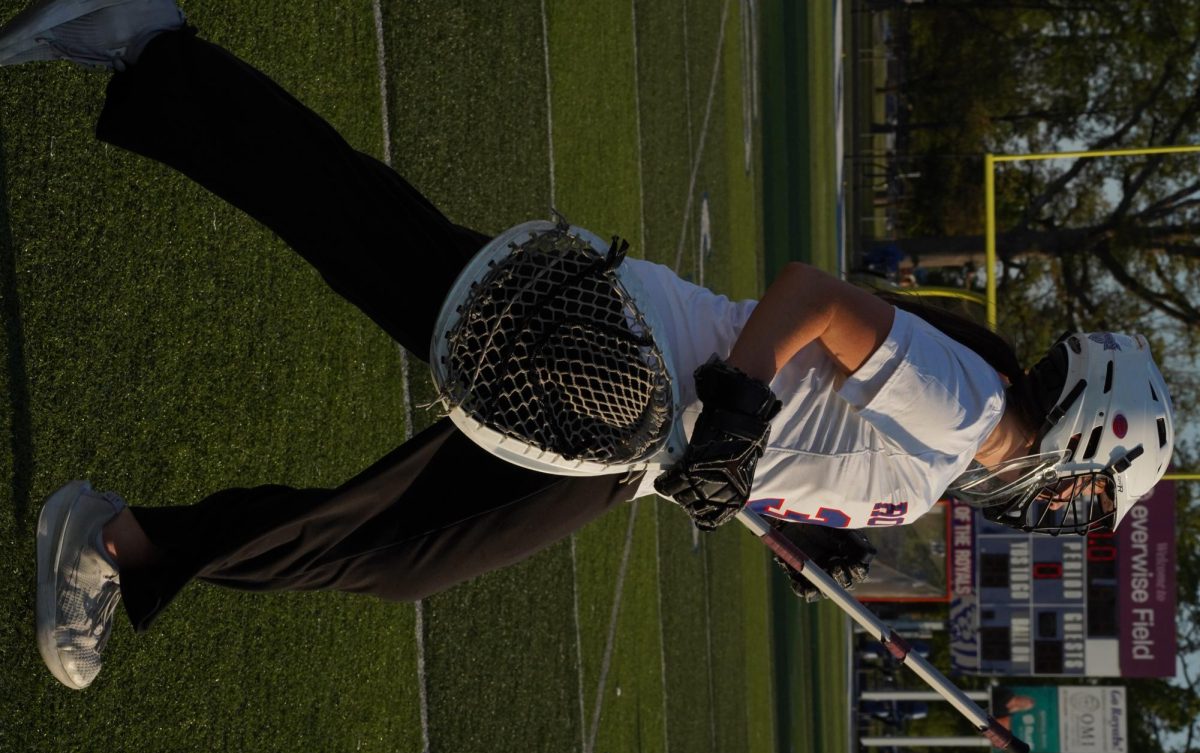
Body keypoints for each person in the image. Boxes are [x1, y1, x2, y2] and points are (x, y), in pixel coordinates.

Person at [0, 0, 1175, 691]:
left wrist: (765, 493)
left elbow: (806, 428)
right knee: (387, 476)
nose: (1063, 509)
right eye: (1084, 490)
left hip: (624, 420)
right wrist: (738, 416)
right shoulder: (970, 410)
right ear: (1081, 434)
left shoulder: (954, 438)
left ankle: (120, 533)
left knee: (363, 258)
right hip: (614, 372)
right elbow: (811, 295)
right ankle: (113, 537)